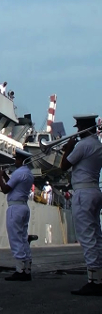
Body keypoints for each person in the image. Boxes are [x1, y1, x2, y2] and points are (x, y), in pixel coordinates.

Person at [61, 114, 102, 296]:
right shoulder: (97, 144)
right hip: (94, 190)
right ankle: (98, 277)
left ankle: (94, 281)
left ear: (83, 128)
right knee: (96, 236)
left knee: (87, 237)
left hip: (83, 194)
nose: (77, 131)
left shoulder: (83, 145)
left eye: (78, 128)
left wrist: (67, 149)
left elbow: (63, 166)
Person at [0, 149, 35, 281]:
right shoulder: (28, 173)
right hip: (24, 206)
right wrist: (5, 176)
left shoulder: (18, 172)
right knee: (23, 238)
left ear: (21, 160)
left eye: (17, 159)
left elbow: (5, 189)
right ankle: (27, 268)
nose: (15, 161)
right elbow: (14, 185)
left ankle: (20, 270)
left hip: (15, 208)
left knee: (15, 238)